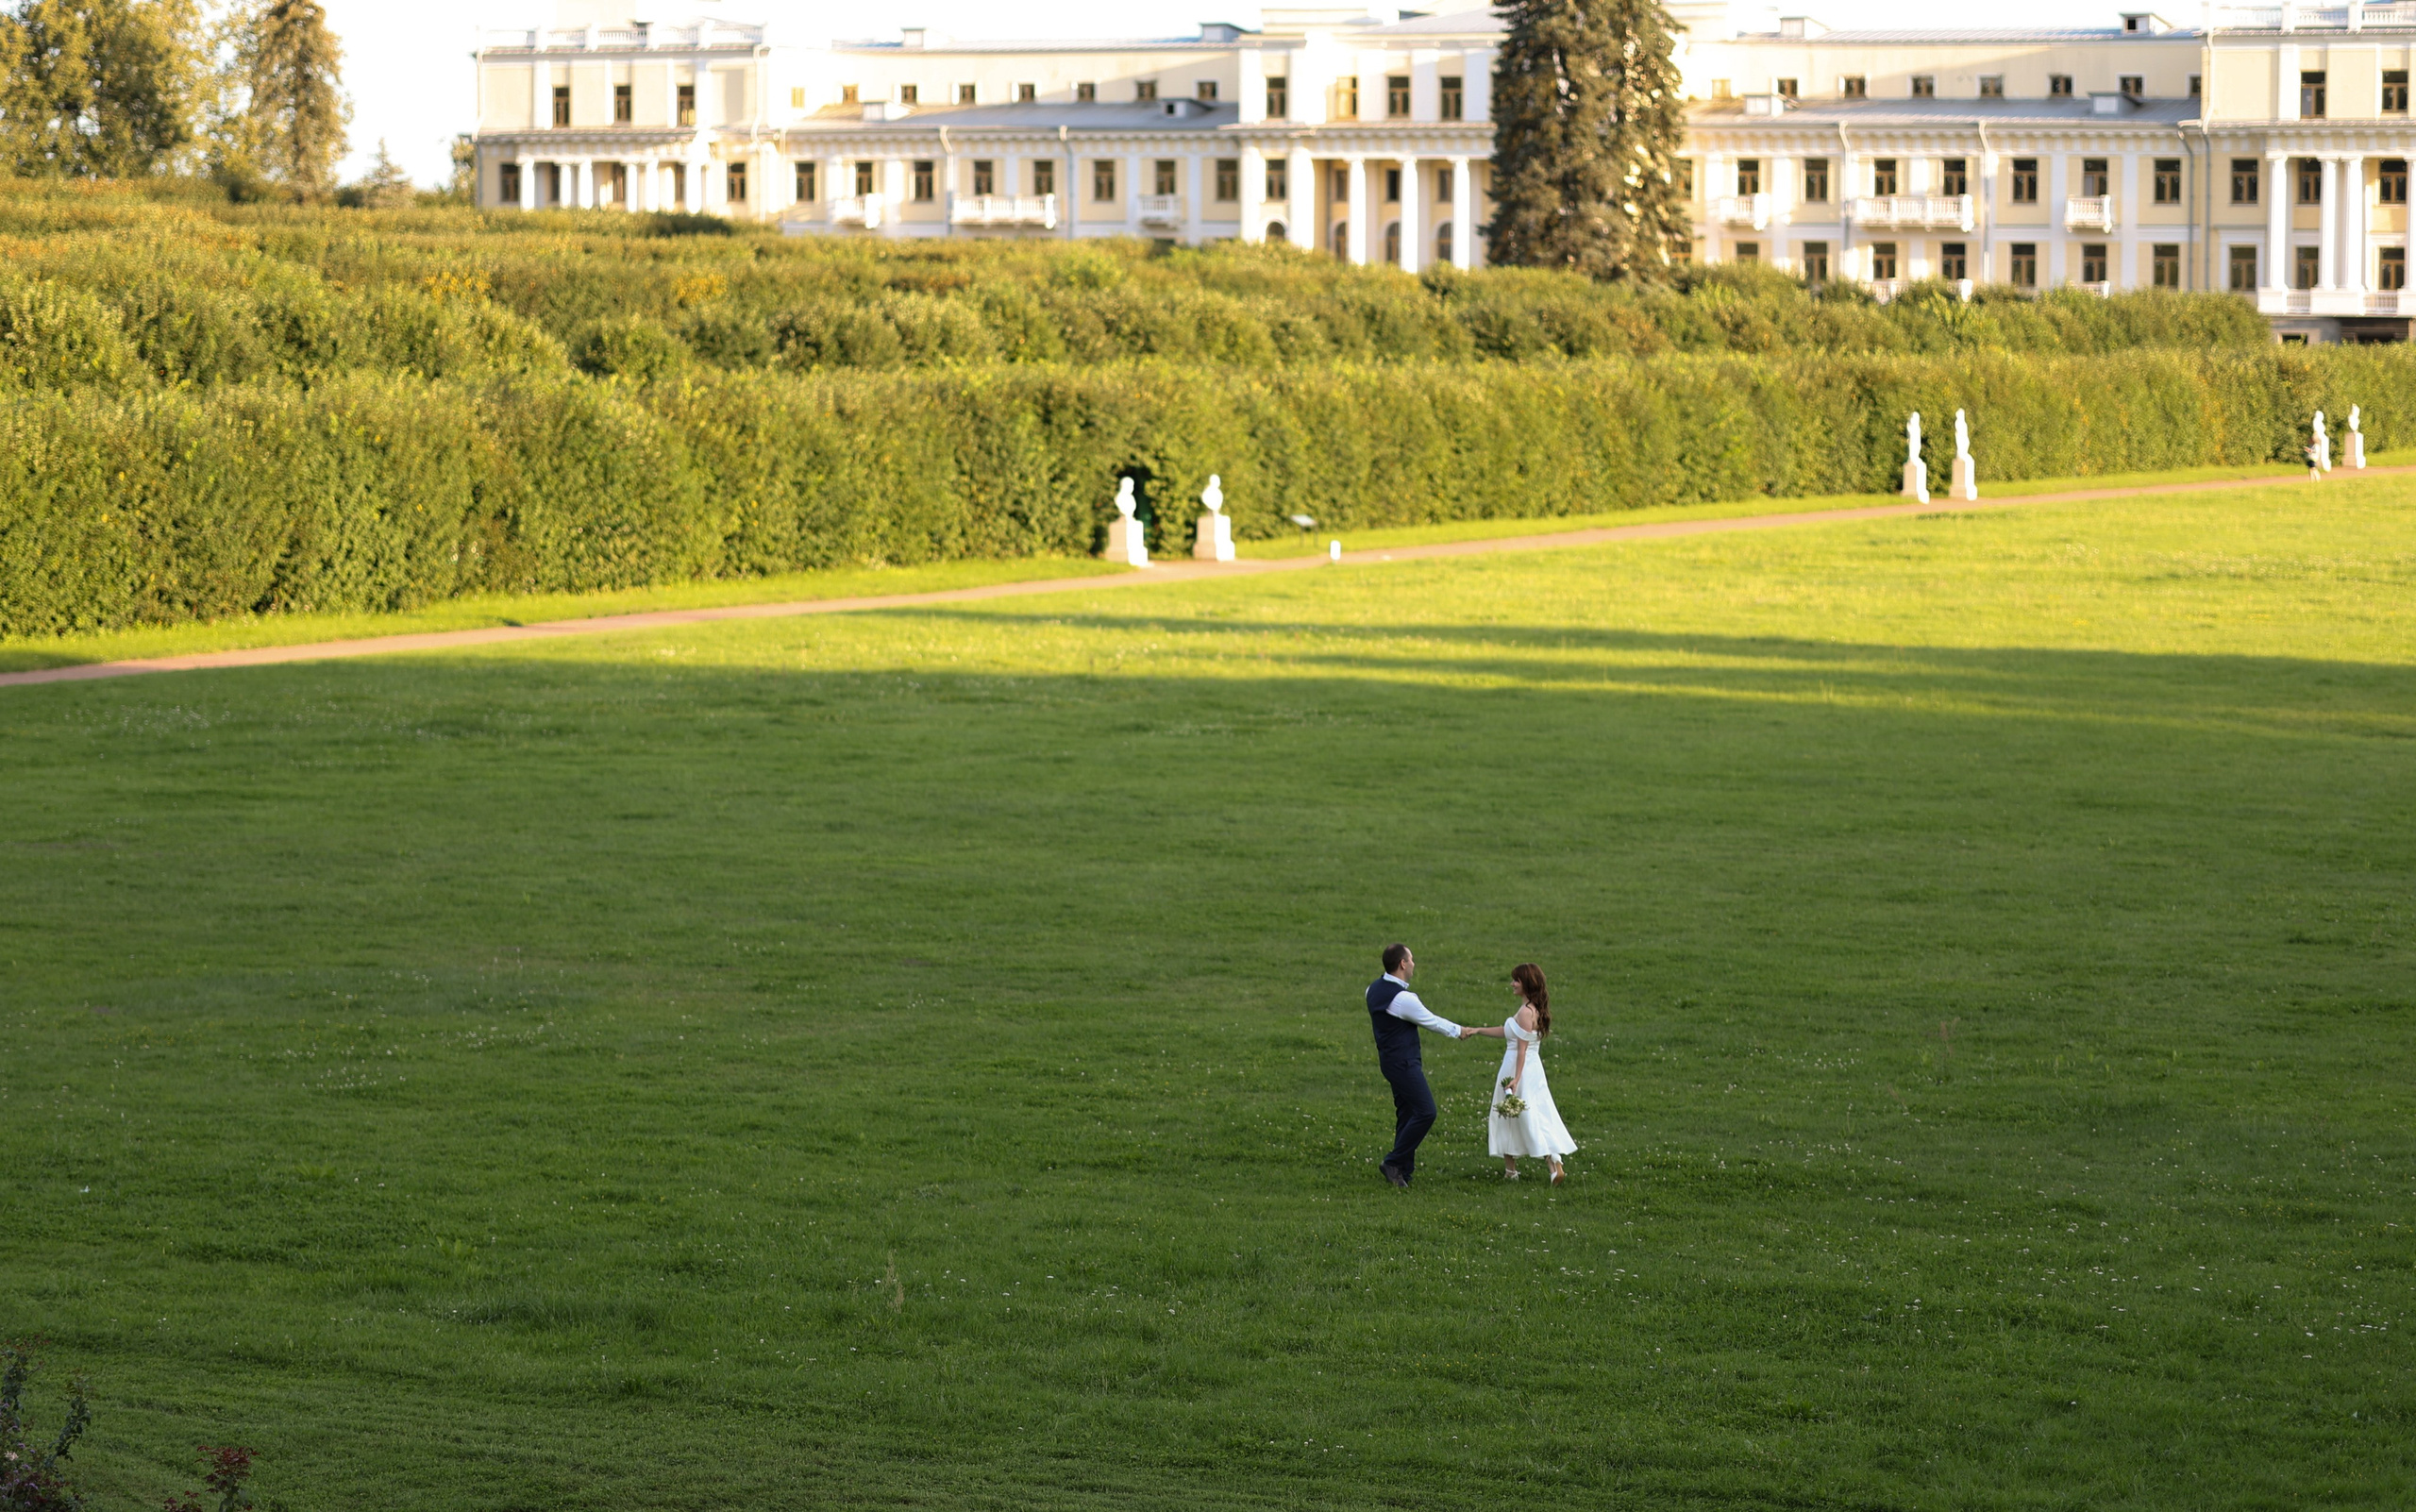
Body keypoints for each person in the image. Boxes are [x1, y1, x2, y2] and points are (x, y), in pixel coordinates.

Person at [1366, 943, 1476, 1188]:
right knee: (1426, 1112)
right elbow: (1431, 1021)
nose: (1414, 964)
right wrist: (1459, 1031)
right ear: (1402, 964)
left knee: (1406, 1113)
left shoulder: (1372, 989)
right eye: (1411, 959)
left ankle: (1403, 1171)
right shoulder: (1403, 999)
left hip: (1389, 1062)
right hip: (1404, 1063)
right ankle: (1393, 1162)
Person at [1460, 963, 1575, 1184]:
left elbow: (1521, 1048)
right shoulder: (1534, 1009)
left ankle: (1518, 1169)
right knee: (1534, 1113)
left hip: (1517, 1068)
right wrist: (1477, 1030)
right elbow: (1508, 1032)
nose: (1512, 984)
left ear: (1527, 984)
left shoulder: (1525, 1012)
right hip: (1533, 1070)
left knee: (1510, 1115)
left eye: (1516, 980)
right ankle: (1550, 1161)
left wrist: (1516, 1078)